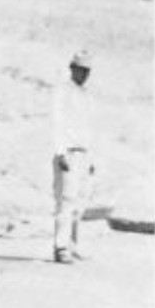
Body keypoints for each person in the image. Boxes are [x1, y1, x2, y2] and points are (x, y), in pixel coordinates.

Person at [52, 51, 96, 263]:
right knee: (66, 202)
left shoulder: (85, 95)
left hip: (83, 154)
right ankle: (61, 247)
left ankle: (73, 244)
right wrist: (61, 152)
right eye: (81, 70)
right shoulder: (63, 92)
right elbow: (57, 122)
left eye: (87, 71)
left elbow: (89, 128)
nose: (84, 74)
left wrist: (92, 159)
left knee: (80, 202)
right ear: (72, 69)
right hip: (68, 153)